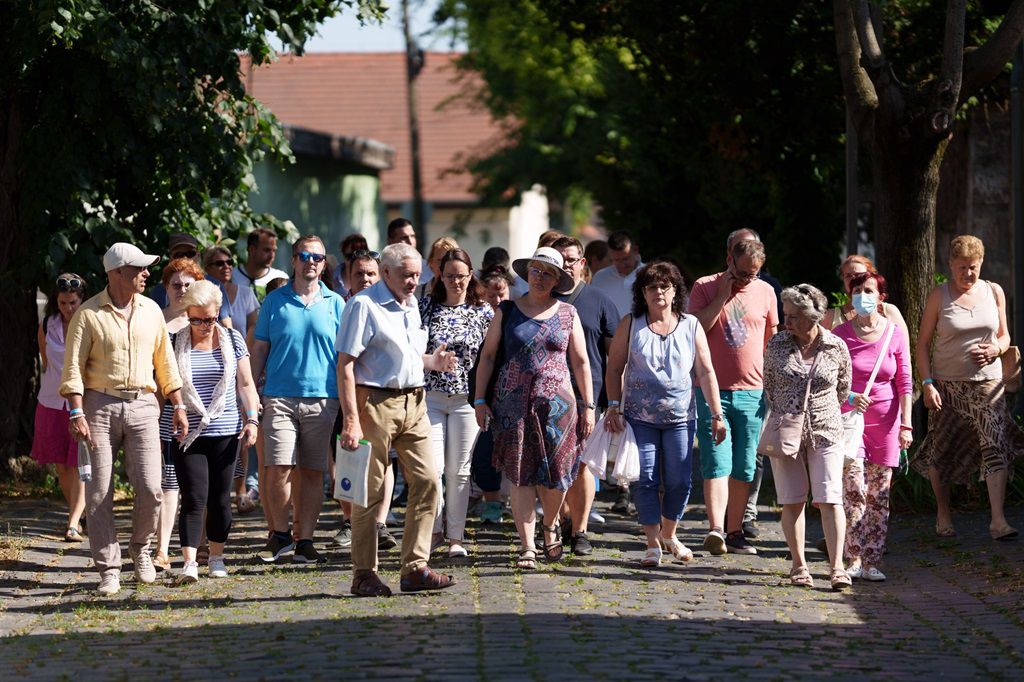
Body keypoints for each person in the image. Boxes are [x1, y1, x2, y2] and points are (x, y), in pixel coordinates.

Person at [61, 242, 188, 595]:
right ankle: (109, 568)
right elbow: (72, 369)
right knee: (99, 491)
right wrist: (76, 411)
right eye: (139, 268)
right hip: (99, 405)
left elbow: (166, 364)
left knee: (150, 487)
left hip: (145, 404)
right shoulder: (88, 315)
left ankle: (141, 550)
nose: (146, 273)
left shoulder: (151, 311)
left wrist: (177, 405)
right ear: (117, 272)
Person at [336, 242, 459, 596]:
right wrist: (350, 420)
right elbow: (345, 364)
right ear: (386, 272)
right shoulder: (363, 305)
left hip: (415, 401)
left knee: (429, 482)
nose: (413, 282)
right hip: (374, 403)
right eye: (406, 275)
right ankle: (364, 573)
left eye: (417, 275)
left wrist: (431, 362)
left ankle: (415, 567)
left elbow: (404, 355)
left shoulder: (412, 303)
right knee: (369, 492)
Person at [473, 247, 595, 569]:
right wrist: (480, 399)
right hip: (512, 406)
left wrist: (590, 406)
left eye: (548, 273)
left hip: (558, 408)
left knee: (555, 476)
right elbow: (487, 357)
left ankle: (550, 525)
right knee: (520, 476)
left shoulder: (568, 313)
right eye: (536, 271)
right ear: (527, 273)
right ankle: (528, 545)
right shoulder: (508, 311)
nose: (540, 278)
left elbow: (581, 362)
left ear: (558, 279)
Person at [604, 262, 727, 567]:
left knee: (679, 481)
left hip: (681, 418)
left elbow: (706, 370)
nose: (658, 292)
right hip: (639, 418)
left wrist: (716, 413)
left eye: (665, 286)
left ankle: (669, 534)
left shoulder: (691, 325)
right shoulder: (630, 323)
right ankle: (651, 544)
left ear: (675, 291)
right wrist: (614, 405)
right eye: (651, 287)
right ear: (642, 293)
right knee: (645, 479)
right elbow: (615, 367)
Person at [915, 235, 1021, 541]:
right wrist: (928, 383)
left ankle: (998, 521)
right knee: (942, 449)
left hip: (988, 384)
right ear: (950, 265)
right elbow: (922, 345)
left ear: (981, 264)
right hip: (948, 386)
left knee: (994, 442)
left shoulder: (993, 291)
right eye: (961, 267)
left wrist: (994, 351)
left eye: (973, 267)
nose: (968, 274)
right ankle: (943, 512)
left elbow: (1004, 336)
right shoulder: (939, 296)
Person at [250, 235, 346, 565]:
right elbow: (259, 348)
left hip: (323, 397)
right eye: (304, 256)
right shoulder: (275, 301)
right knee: (278, 467)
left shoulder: (336, 303)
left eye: (318, 257)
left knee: (312, 472)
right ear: (293, 260)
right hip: (278, 395)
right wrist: (251, 392)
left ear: (324, 264)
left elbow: (346, 356)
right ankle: (279, 536)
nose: (311, 262)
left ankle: (305, 539)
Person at [687, 238, 778, 555]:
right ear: (729, 259)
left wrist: (774, 385)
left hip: (753, 392)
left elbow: (772, 340)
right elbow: (694, 329)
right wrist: (723, 296)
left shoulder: (766, 292)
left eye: (754, 274)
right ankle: (715, 530)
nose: (748, 280)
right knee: (715, 462)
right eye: (742, 273)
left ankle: (736, 530)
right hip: (712, 392)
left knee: (745, 466)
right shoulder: (705, 286)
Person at [167, 281, 260, 583]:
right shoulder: (175, 342)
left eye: (209, 318)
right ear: (187, 314)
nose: (204, 325)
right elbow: (168, 385)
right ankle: (190, 562)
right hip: (188, 432)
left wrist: (252, 419)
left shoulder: (233, 339)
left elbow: (245, 384)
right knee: (194, 497)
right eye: (196, 319)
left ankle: (217, 556)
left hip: (226, 430)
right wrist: (177, 407)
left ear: (218, 312)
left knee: (220, 498)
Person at [763, 284, 852, 590]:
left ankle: (837, 567)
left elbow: (843, 387)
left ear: (814, 317)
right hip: (786, 430)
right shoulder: (776, 345)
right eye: (785, 315)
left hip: (826, 429)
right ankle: (799, 565)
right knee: (793, 501)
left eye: (795, 317)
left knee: (830, 499)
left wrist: (819, 411)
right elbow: (770, 387)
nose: (787, 322)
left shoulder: (836, 346)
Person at [833, 271, 913, 581]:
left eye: (868, 290)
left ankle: (872, 561)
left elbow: (904, 379)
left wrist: (906, 424)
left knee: (879, 495)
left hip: (887, 424)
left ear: (882, 297)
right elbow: (830, 380)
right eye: (856, 290)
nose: (862, 295)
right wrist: (850, 397)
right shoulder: (839, 334)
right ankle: (852, 557)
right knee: (853, 490)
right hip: (850, 422)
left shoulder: (894, 332)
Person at [420, 249, 494, 558]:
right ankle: (434, 530)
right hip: (432, 397)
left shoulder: (484, 311)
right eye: (449, 275)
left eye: (461, 275)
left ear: (471, 275)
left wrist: (485, 399)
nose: (456, 282)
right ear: (439, 276)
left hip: (467, 399)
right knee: (432, 469)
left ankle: (456, 537)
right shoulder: (425, 307)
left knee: (459, 471)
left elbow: (491, 358)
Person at [551, 236, 619, 554]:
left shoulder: (599, 301)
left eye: (571, 259)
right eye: (559, 259)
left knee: (582, 465)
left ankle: (580, 531)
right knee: (553, 466)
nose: (565, 264)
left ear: (582, 263)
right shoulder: (540, 298)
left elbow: (614, 356)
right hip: (548, 396)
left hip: (588, 396)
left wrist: (614, 399)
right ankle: (562, 519)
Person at [154, 258, 206, 572]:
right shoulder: (156, 321)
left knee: (202, 485)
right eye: (176, 285)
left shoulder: (207, 320)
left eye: (188, 285)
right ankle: (161, 550)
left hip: (203, 415)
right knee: (168, 482)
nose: (182, 290)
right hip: (164, 413)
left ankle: (198, 549)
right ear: (166, 288)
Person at [33, 274, 88, 543]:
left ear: (82, 300)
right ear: (57, 301)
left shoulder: (90, 324)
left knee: (78, 463)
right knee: (62, 466)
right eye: (64, 302)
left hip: (81, 402)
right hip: (51, 402)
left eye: (74, 302)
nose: (69, 308)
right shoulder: (47, 324)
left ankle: (74, 523)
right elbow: (46, 360)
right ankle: (77, 512)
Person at [822, 254, 909, 337]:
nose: (853, 280)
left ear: (870, 276)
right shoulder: (830, 316)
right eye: (848, 276)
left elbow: (903, 348)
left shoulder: (889, 311)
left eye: (858, 275)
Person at [204, 246, 260, 340]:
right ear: (207, 268)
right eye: (219, 263)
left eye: (229, 262)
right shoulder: (201, 296)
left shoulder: (246, 293)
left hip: (240, 352)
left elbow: (253, 329)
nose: (226, 266)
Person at [590, 231, 643, 318]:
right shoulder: (600, 277)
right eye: (616, 260)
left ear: (635, 250)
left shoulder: (650, 275)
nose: (622, 264)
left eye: (625, 259)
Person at [233, 228, 289, 302]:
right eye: (267, 250)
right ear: (252, 249)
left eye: (274, 251)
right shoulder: (231, 277)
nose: (272, 255)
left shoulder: (281, 279)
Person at [387, 217, 433, 289]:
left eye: (412, 236)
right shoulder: (383, 270)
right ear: (391, 241)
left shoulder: (429, 268)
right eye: (404, 237)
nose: (411, 242)